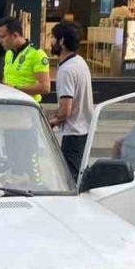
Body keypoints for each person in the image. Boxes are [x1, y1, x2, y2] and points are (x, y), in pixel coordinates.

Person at [48, 20, 94, 179]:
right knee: (79, 174)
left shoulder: (66, 70)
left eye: (53, 38)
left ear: (62, 41)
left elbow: (65, 110)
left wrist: (51, 121)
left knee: (70, 179)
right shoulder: (80, 62)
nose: (51, 42)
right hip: (84, 129)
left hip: (73, 133)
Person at [0, 17, 49, 103]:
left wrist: (15, 89)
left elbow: (45, 87)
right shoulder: (9, 53)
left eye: (2, 37)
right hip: (10, 105)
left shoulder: (37, 54)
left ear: (15, 35)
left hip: (27, 107)